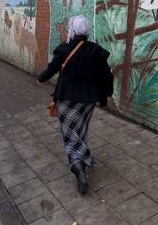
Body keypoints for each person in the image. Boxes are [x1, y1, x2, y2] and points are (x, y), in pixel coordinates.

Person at [37, 15, 114, 195]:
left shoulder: (64, 49)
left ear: (72, 30)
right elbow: (106, 76)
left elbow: (52, 69)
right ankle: (81, 164)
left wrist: (41, 79)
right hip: (88, 100)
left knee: (70, 133)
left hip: (66, 98)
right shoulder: (96, 51)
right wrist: (107, 93)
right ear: (87, 32)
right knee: (81, 131)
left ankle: (79, 167)